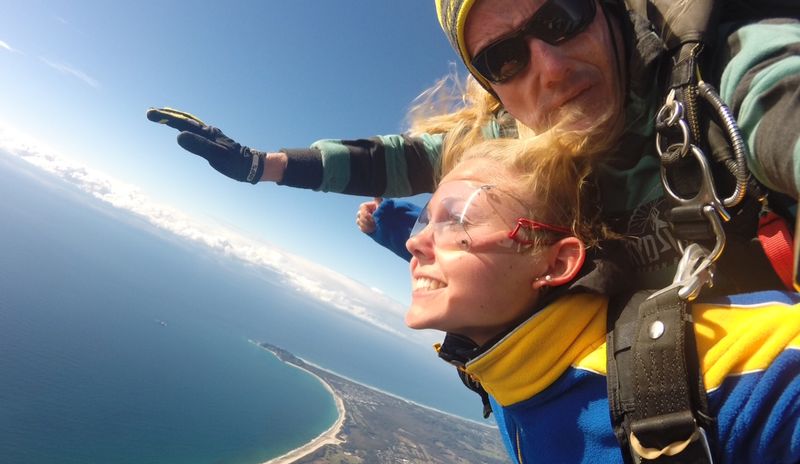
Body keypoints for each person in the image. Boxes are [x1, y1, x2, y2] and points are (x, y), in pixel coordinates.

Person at [149, 0, 799, 290]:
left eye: (560, 18)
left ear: (604, 7)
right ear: (494, 90)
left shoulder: (711, 72)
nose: (551, 68)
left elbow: (776, 94)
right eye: (505, 57)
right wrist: (260, 166)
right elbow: (401, 159)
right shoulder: (514, 138)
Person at [403, 127, 800, 464]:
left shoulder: (677, 373)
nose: (417, 242)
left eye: (457, 220)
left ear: (555, 264)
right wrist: (387, 219)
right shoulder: (502, 354)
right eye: (425, 220)